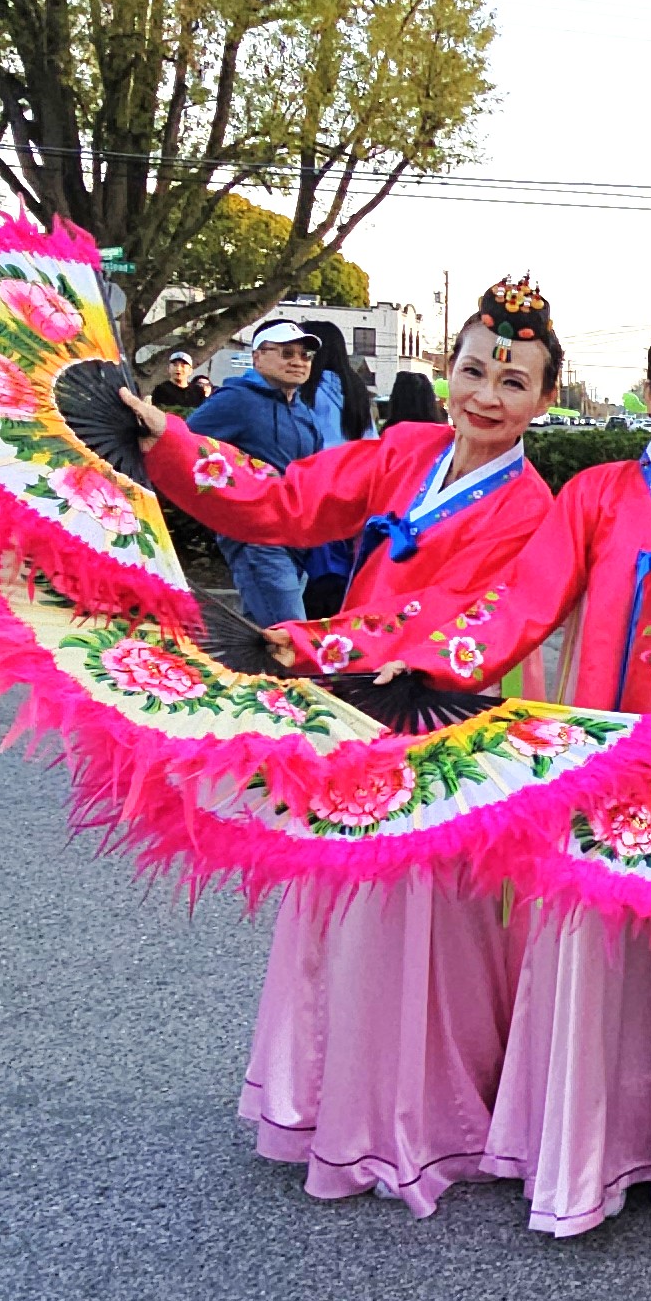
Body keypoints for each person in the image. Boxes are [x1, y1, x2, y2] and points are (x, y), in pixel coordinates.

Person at [268, 286, 651, 1236]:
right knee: (589, 940)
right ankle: (579, 1146)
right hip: (593, 748)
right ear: (650, 396)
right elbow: (524, 607)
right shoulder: (595, 495)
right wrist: (428, 659)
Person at [118, 277, 561, 1216]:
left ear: (545, 399)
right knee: (341, 906)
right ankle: (322, 1098)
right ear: (448, 369)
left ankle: (424, 1117)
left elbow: (475, 618)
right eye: (474, 370)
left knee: (422, 918)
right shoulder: (404, 450)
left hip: (442, 713)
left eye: (514, 381)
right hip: (355, 701)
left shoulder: (531, 506)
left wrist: (321, 643)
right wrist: (171, 442)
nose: (487, 395)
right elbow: (285, 499)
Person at [185, 320, 332, 625]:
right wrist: (229, 499)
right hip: (258, 537)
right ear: (257, 357)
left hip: (297, 537)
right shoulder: (236, 399)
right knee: (289, 631)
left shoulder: (304, 412)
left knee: (264, 633)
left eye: (305, 355)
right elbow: (183, 446)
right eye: (286, 353)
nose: (298, 362)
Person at [295, 321, 377, 617]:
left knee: (316, 574)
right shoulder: (356, 391)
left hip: (316, 493)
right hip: (357, 491)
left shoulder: (307, 390)